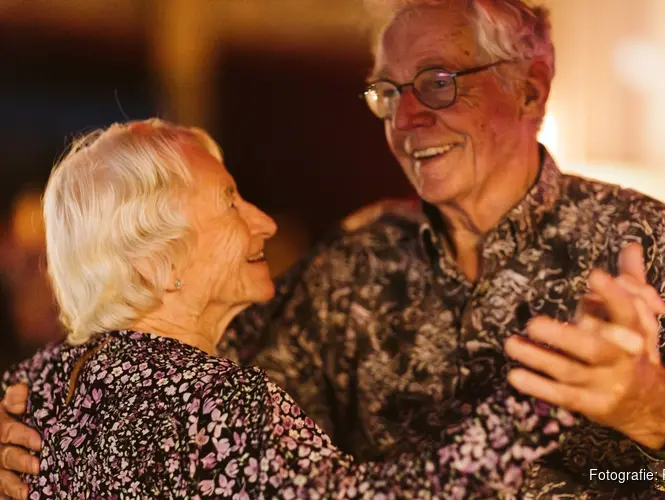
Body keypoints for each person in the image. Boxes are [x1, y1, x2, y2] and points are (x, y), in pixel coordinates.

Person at [2, 0, 665, 497]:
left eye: (439, 81)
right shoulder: (352, 266)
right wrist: (17, 423)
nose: (408, 119)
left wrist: (659, 410)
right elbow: (172, 379)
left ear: (531, 89)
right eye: (388, 93)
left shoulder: (650, 247)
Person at [0, 119, 575, 498]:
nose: (266, 223)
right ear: (155, 263)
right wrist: (546, 397)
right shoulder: (215, 405)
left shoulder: (34, 386)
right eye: (230, 203)